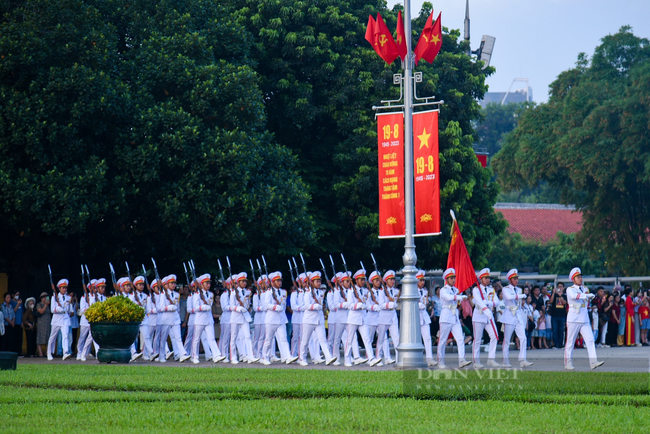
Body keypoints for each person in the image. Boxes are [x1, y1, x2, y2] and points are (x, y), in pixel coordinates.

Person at [564, 268, 603, 370]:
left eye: (580, 277)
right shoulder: (570, 289)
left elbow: (586, 302)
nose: (580, 279)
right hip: (573, 318)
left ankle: (593, 361)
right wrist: (585, 296)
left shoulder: (585, 288)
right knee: (570, 342)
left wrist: (589, 296)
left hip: (584, 317)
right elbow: (574, 296)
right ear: (573, 279)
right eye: (578, 277)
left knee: (590, 340)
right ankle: (568, 362)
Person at [297, 272, 336, 366]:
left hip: (319, 320)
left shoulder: (320, 292)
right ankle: (302, 358)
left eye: (319, 281)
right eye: (317, 281)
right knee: (305, 340)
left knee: (323, 339)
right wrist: (315, 306)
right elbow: (307, 306)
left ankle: (328, 357)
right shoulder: (307, 293)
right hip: (309, 320)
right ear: (312, 282)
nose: (319, 283)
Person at [436, 268, 471, 369]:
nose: (453, 279)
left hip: (455, 316)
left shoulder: (455, 290)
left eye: (454, 278)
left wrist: (460, 297)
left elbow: (456, 302)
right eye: (451, 278)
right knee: (442, 340)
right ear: (447, 279)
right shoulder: (443, 290)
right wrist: (460, 297)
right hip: (446, 316)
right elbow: (449, 298)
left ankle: (462, 360)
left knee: (460, 338)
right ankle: (440, 361)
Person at [260, 272, 296, 365]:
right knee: (268, 339)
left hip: (281, 319)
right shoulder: (269, 292)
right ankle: (265, 357)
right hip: (271, 319)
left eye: (280, 280)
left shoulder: (283, 291)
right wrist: (275, 307)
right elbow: (266, 305)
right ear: (272, 282)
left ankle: (288, 357)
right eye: (277, 281)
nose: (279, 282)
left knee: (283, 339)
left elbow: (283, 304)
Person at [190, 274, 226, 364]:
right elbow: (195, 307)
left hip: (209, 319)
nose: (208, 285)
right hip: (200, 319)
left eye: (209, 283)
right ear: (201, 284)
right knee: (196, 338)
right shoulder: (197, 294)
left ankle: (216, 355)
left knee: (211, 338)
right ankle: (194, 356)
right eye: (206, 283)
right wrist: (203, 307)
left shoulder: (210, 294)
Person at [500, 269, 533, 368]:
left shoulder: (518, 289)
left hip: (517, 315)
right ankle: (505, 361)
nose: (516, 280)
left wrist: (520, 295)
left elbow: (518, 302)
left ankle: (522, 359)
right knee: (507, 340)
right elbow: (509, 298)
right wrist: (520, 295)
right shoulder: (505, 289)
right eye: (514, 279)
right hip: (509, 314)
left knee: (523, 337)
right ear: (510, 280)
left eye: (517, 278)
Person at [156, 275, 191, 363]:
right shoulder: (163, 295)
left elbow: (177, 308)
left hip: (175, 319)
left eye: (174, 283)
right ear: (167, 284)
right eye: (171, 283)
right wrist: (169, 307)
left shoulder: (176, 294)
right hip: (166, 318)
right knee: (163, 338)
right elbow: (160, 308)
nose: (173, 285)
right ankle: (162, 356)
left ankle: (182, 354)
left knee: (178, 338)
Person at [471, 268, 499, 368]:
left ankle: (491, 359)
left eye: (488, 278)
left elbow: (497, 302)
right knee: (477, 339)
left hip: (488, 316)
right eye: (485, 278)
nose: (488, 280)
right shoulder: (476, 289)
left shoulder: (492, 290)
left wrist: (488, 303)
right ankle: (476, 361)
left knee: (494, 336)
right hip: (479, 315)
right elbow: (478, 301)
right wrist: (486, 309)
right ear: (481, 279)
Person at [47, 279, 73, 361]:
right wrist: (58, 309)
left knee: (65, 336)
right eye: (63, 288)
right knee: (53, 337)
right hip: (57, 320)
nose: (65, 289)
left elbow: (68, 309)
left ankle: (65, 352)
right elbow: (52, 310)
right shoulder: (54, 297)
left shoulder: (68, 298)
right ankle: (49, 352)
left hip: (65, 319)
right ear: (59, 288)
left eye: (66, 288)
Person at [549, 282, 568, 348]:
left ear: (563, 288)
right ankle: (555, 344)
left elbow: (565, 303)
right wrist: (554, 293)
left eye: (561, 286)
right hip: (554, 315)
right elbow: (550, 302)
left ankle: (560, 344)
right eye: (558, 286)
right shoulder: (554, 295)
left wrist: (560, 296)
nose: (559, 288)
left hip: (562, 315)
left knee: (561, 330)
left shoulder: (565, 295)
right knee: (555, 330)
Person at [35, 292, 51, 357]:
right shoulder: (39, 304)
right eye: (44, 297)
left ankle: (47, 352)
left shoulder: (49, 306)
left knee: (48, 336)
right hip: (41, 323)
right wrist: (46, 305)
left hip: (48, 323)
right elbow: (41, 311)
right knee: (40, 336)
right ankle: (40, 352)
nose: (45, 299)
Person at [11, 291, 24, 356]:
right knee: (14, 339)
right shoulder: (11, 302)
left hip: (19, 323)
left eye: (18, 294)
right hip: (14, 323)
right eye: (16, 294)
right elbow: (13, 311)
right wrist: (17, 305)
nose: (17, 296)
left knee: (20, 339)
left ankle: (19, 352)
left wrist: (22, 321)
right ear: (13, 295)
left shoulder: (20, 302)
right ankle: (14, 352)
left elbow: (22, 312)